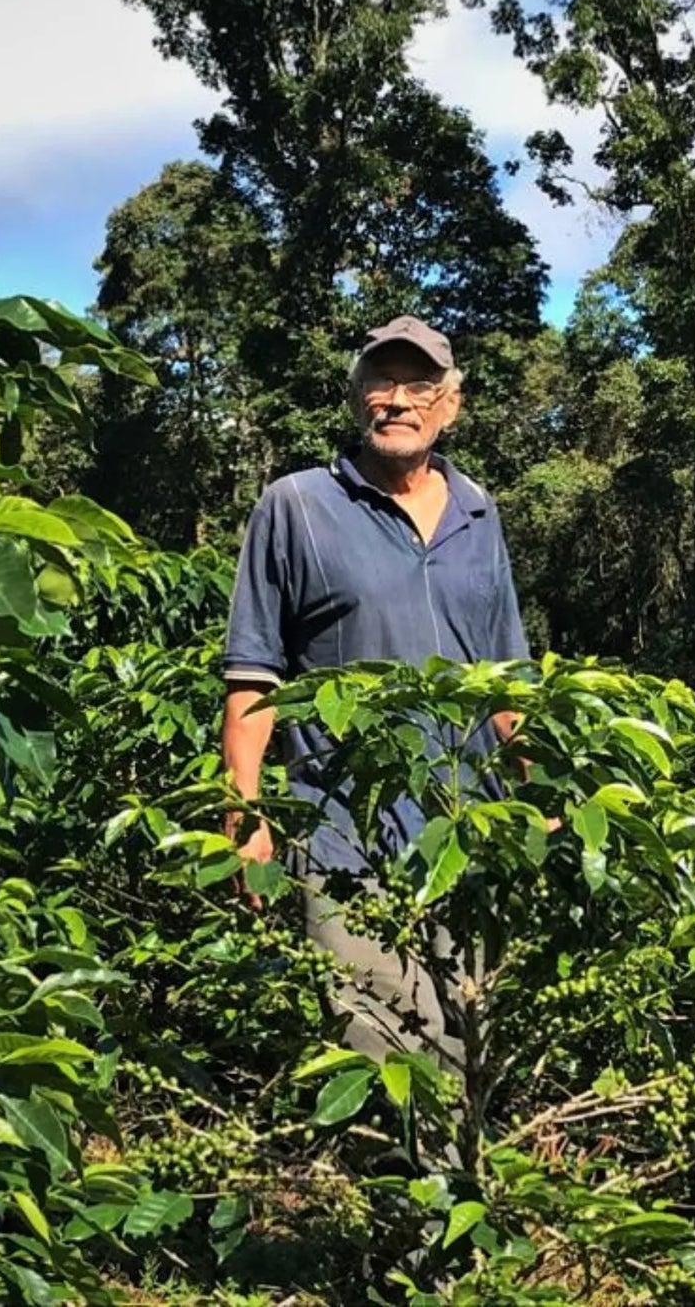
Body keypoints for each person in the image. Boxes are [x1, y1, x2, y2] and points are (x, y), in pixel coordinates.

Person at [220, 314, 527, 1070]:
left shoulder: (478, 513)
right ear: (356, 399)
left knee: (472, 1038)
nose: (396, 400)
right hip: (343, 836)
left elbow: (506, 678)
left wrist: (543, 797)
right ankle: (412, 1187)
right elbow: (252, 672)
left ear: (449, 404)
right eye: (378, 383)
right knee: (385, 1042)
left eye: (417, 384)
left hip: (469, 832)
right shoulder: (295, 507)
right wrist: (245, 814)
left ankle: (465, 1184)